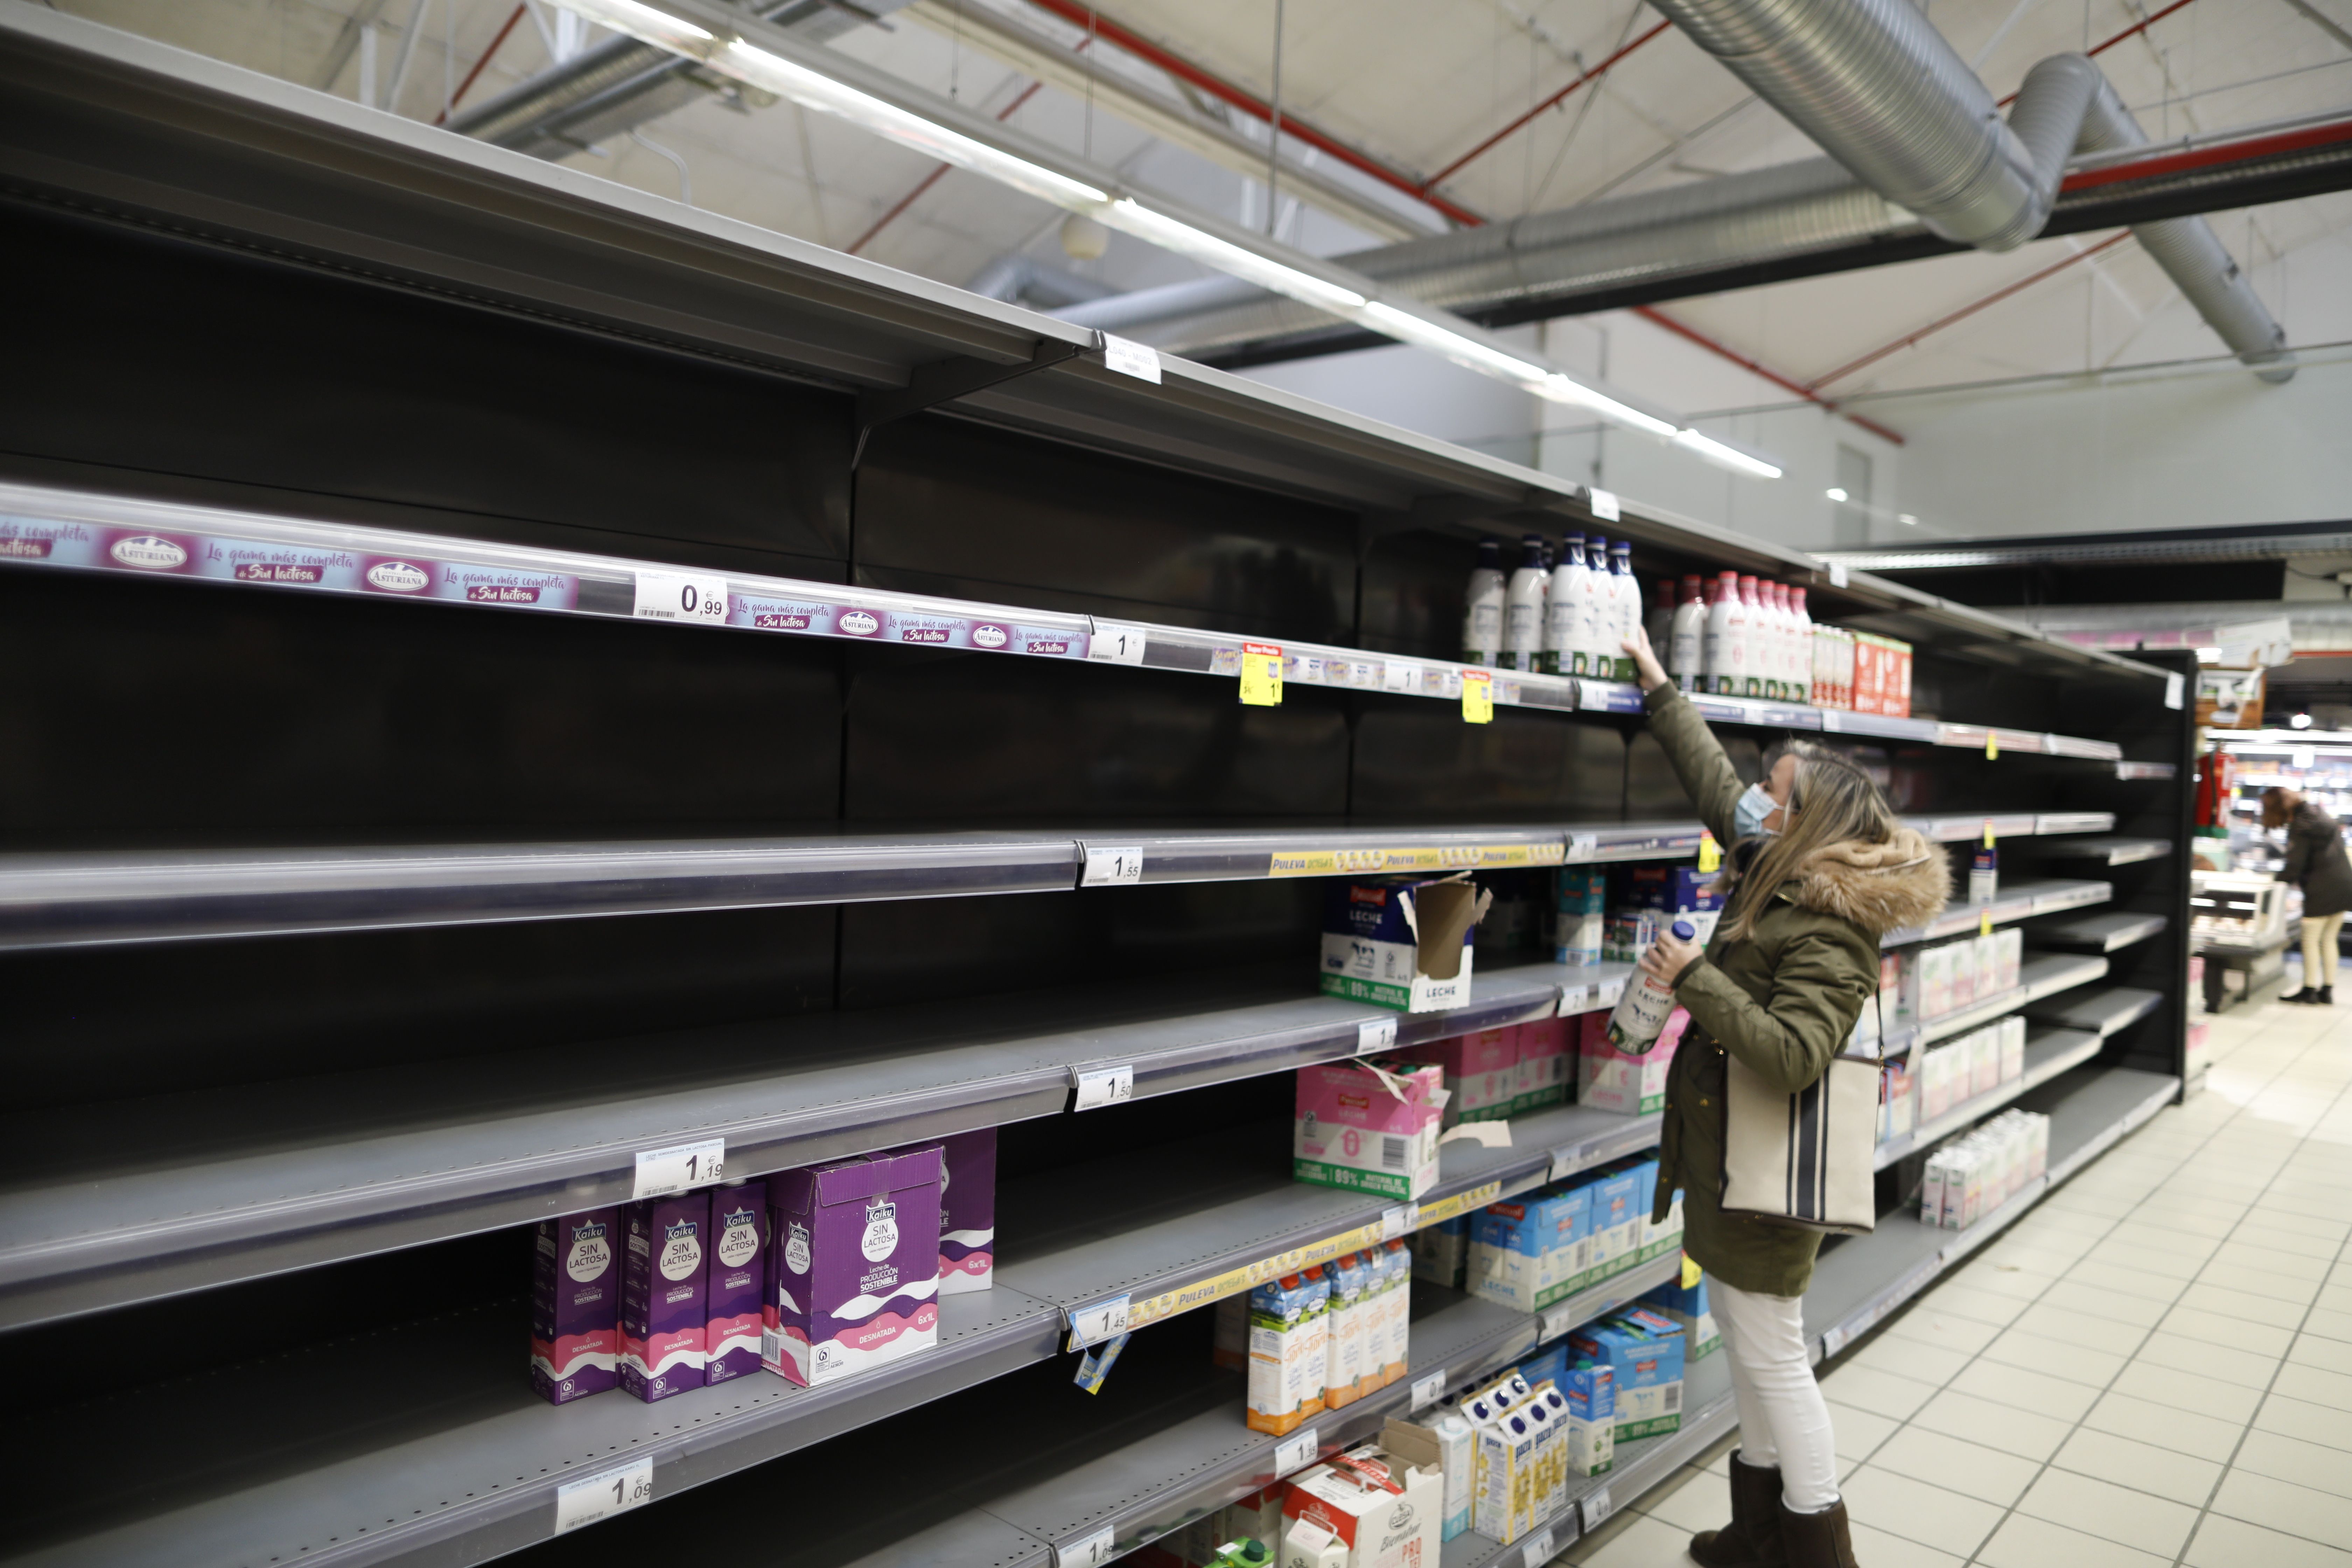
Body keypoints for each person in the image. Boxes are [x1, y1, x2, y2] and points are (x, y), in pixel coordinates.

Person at [1622, 628, 1947, 1568]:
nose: (1758, 797)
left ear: (1809, 823)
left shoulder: (1832, 927)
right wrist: (1658, 687)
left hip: (1767, 1184)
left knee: (1774, 1358)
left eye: (1778, 790)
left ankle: (1818, 1554)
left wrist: (1693, 977)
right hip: (1731, 1167)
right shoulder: (1776, 861)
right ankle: (1759, 1538)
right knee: (1746, 1342)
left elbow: (1796, 1056)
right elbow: (1715, 781)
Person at [2265, 785, 2352, 1004]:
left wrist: (2274, 883)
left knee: (2310, 938)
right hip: (2343, 883)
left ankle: (2309, 989)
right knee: (2329, 938)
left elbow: (2295, 864)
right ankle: (2327, 990)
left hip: (2321, 888)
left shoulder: (2301, 826)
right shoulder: (2318, 813)